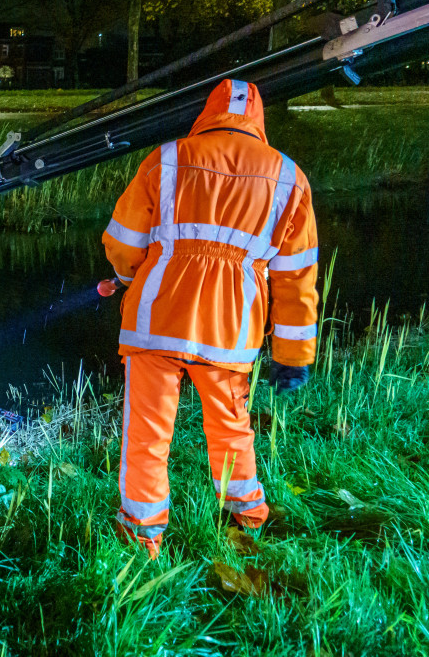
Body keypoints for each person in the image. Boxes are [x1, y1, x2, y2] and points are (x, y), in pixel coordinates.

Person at [102, 78, 318, 558]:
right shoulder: (289, 177)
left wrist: (126, 275)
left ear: (208, 112)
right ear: (257, 120)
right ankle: (246, 518)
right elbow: (296, 277)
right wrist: (292, 356)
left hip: (157, 319)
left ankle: (143, 538)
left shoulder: (169, 158)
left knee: (147, 436)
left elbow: (122, 242)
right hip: (232, 327)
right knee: (230, 426)